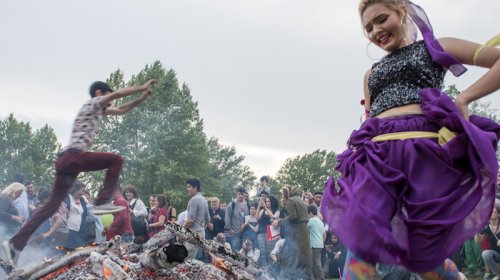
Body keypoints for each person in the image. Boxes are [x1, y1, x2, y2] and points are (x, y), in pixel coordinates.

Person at [321, 0, 500, 277]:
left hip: (424, 154)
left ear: (402, 13)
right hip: (377, 161)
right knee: (362, 243)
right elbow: (369, 118)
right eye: (368, 28)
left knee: (423, 257)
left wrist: (464, 99)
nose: (375, 31)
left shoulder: (434, 47)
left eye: (381, 19)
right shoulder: (371, 75)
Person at [3, 79, 156, 263]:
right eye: (109, 98)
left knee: (50, 206)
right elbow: (117, 95)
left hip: (65, 162)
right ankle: (102, 201)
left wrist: (141, 98)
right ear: (100, 93)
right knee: (116, 160)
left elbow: (122, 109)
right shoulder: (93, 102)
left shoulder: (99, 109)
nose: (111, 103)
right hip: (74, 157)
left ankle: (15, 244)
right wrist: (142, 86)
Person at [273, 186, 313, 279]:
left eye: (285, 192)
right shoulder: (301, 201)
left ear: (289, 192)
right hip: (303, 231)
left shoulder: (291, 201)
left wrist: (279, 221)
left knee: (292, 257)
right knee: (304, 258)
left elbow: (293, 217)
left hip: (297, 232)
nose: (283, 195)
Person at [183, 178, 210, 260]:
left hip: (193, 234)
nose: (187, 189)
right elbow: (208, 219)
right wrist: (202, 228)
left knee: (187, 260)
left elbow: (191, 220)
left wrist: (182, 229)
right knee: (197, 260)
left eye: (189, 187)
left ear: (195, 187)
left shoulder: (194, 200)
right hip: (201, 233)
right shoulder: (204, 199)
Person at [476, 204, 500, 280]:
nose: (490, 213)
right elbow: (477, 241)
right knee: (485, 254)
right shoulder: (486, 227)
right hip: (497, 254)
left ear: (499, 215)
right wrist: (476, 232)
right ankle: (498, 275)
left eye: (494, 212)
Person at [224, 187, 248, 252]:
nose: (240, 196)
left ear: (244, 195)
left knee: (238, 253)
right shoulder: (232, 204)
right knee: (231, 252)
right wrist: (229, 229)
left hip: (242, 234)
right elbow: (227, 217)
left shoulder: (247, 205)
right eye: (239, 194)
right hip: (232, 233)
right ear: (237, 194)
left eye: (242, 194)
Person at [307, 205, 325, 280]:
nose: (307, 215)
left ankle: (321, 278)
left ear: (310, 212)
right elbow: (324, 234)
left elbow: (304, 227)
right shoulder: (320, 221)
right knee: (315, 263)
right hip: (320, 244)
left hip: (314, 245)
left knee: (316, 264)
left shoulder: (311, 221)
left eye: (307, 214)